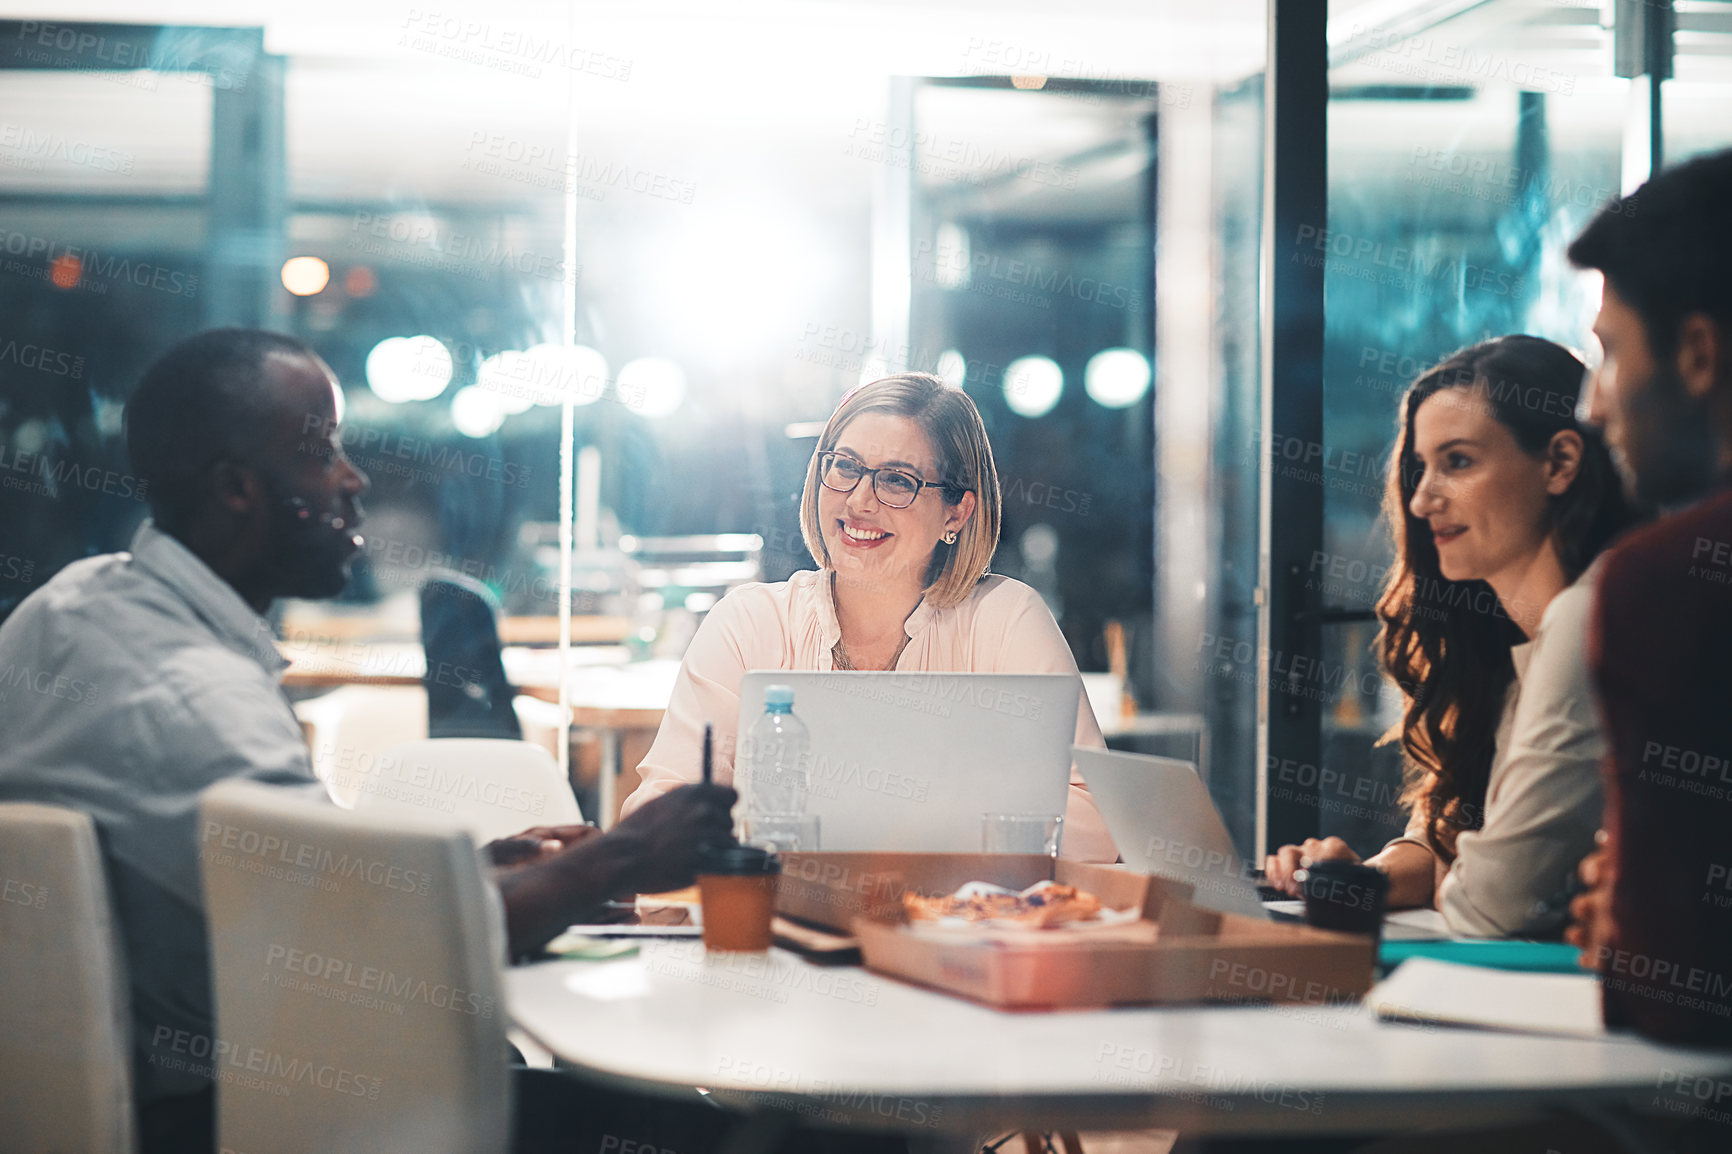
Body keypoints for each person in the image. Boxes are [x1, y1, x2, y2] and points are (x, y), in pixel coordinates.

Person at [0, 329, 742, 1153]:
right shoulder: (193, 702)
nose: (354, 481)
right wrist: (621, 859)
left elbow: (289, 882)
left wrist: (475, 870)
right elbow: (389, 955)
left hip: (142, 1093)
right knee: (701, 1132)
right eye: (324, 454)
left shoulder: (73, 606)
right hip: (248, 1115)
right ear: (237, 489)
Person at [620, 372, 1117, 861]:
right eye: (845, 466)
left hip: (955, 928)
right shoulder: (748, 623)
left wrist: (899, 808)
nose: (859, 500)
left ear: (957, 512)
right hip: (777, 924)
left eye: (897, 480)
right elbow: (659, 816)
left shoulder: (1005, 621)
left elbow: (1099, 826)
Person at [1264, 336, 1638, 937]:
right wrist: (1366, 878)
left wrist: (1454, 879)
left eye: (1458, 462)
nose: (1420, 500)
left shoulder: (1586, 621)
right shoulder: (1510, 648)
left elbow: (1487, 906)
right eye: (1420, 467)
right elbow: (1453, 839)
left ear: (1560, 464)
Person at [1564, 148, 1732, 1046]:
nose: (1596, 405)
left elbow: (1673, 998)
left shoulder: (1667, 582)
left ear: (1698, 354)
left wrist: (1628, 933)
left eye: (1612, 354)